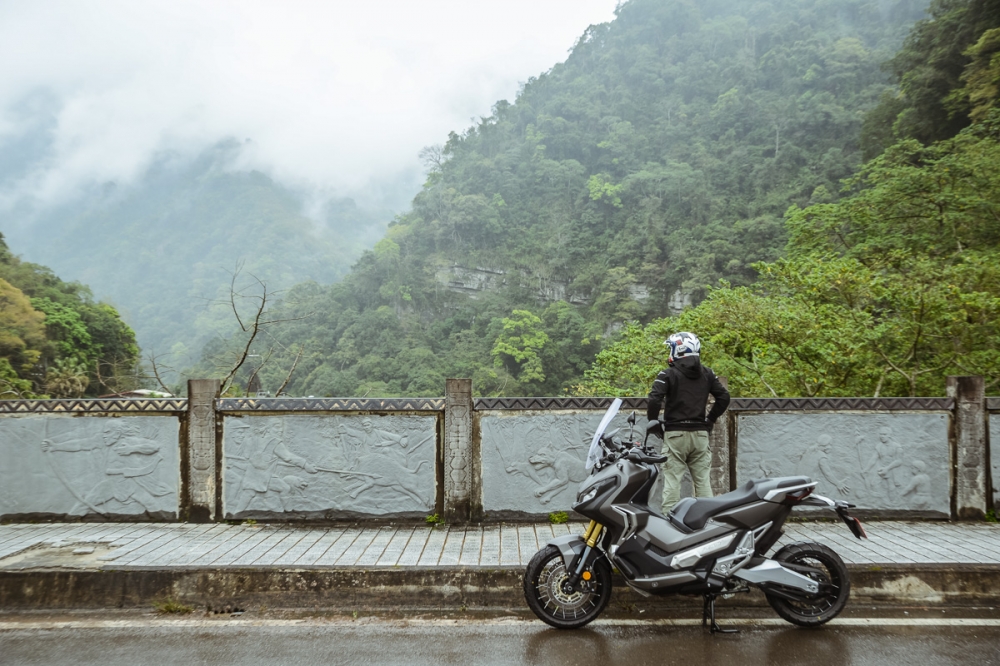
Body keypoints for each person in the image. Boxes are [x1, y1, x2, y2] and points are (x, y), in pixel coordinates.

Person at [646, 331, 730, 513]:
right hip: (700, 435)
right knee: (703, 483)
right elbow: (723, 397)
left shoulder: (667, 374)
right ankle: (707, 523)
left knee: (672, 481)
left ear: (678, 350)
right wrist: (710, 420)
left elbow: (654, 399)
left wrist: (653, 422)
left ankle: (669, 524)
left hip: (675, 434)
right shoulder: (708, 374)